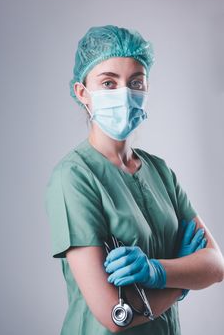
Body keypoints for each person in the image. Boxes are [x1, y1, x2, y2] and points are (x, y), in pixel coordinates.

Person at [44, 25, 224, 335]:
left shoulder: (160, 171)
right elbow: (116, 315)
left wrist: (157, 272)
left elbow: (216, 265)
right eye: (109, 82)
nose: (124, 94)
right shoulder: (73, 177)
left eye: (135, 82)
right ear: (82, 92)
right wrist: (180, 279)